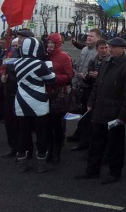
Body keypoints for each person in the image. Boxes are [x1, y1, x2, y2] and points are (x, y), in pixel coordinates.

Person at [74, 37, 126, 185]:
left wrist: (123, 117)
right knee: (96, 143)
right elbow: (97, 85)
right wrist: (91, 102)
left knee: (115, 146)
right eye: (109, 46)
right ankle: (92, 170)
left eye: (113, 47)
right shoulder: (106, 63)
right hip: (99, 110)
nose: (110, 49)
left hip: (115, 113)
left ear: (122, 49)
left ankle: (115, 173)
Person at [13, 36, 56, 173]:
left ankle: (22, 162)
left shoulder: (17, 62)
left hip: (20, 102)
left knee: (23, 133)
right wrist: (49, 65)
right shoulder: (39, 64)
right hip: (38, 103)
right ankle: (41, 163)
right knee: (41, 134)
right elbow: (51, 79)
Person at [67, 28, 102, 147]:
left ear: (98, 38)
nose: (88, 37)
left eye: (92, 36)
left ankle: (85, 140)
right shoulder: (84, 49)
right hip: (80, 84)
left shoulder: (98, 52)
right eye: (88, 35)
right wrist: (75, 81)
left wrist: (88, 76)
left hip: (90, 86)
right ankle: (79, 133)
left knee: (88, 114)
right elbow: (79, 65)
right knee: (80, 111)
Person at [44, 32, 75, 164]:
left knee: (56, 125)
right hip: (44, 95)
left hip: (57, 95)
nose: (50, 45)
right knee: (46, 126)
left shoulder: (64, 57)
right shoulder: (44, 56)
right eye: (49, 42)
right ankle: (49, 149)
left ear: (58, 44)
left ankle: (56, 152)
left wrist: (53, 78)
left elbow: (69, 76)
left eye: (53, 43)